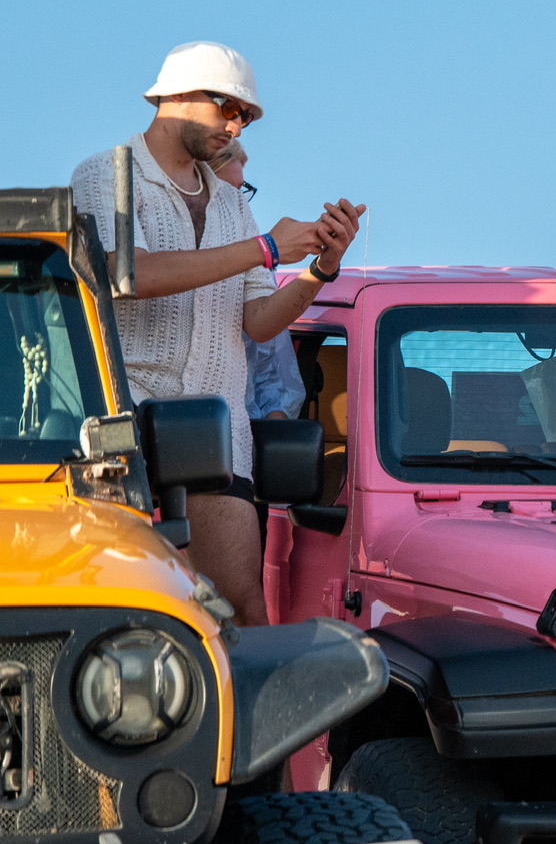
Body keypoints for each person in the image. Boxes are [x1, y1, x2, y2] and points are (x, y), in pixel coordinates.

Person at [70, 42, 363, 627]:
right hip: (123, 430)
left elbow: (259, 321)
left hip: (217, 433)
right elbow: (132, 275)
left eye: (246, 117)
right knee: (130, 611)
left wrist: (320, 269)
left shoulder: (230, 201)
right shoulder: (104, 172)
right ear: (177, 96)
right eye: (229, 109)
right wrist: (266, 248)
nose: (237, 127)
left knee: (242, 608)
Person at [209, 141, 307, 418]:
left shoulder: (257, 268)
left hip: (240, 436)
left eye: (241, 191)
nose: (237, 204)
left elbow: (274, 377)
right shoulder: (160, 255)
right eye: (224, 192)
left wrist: (325, 266)